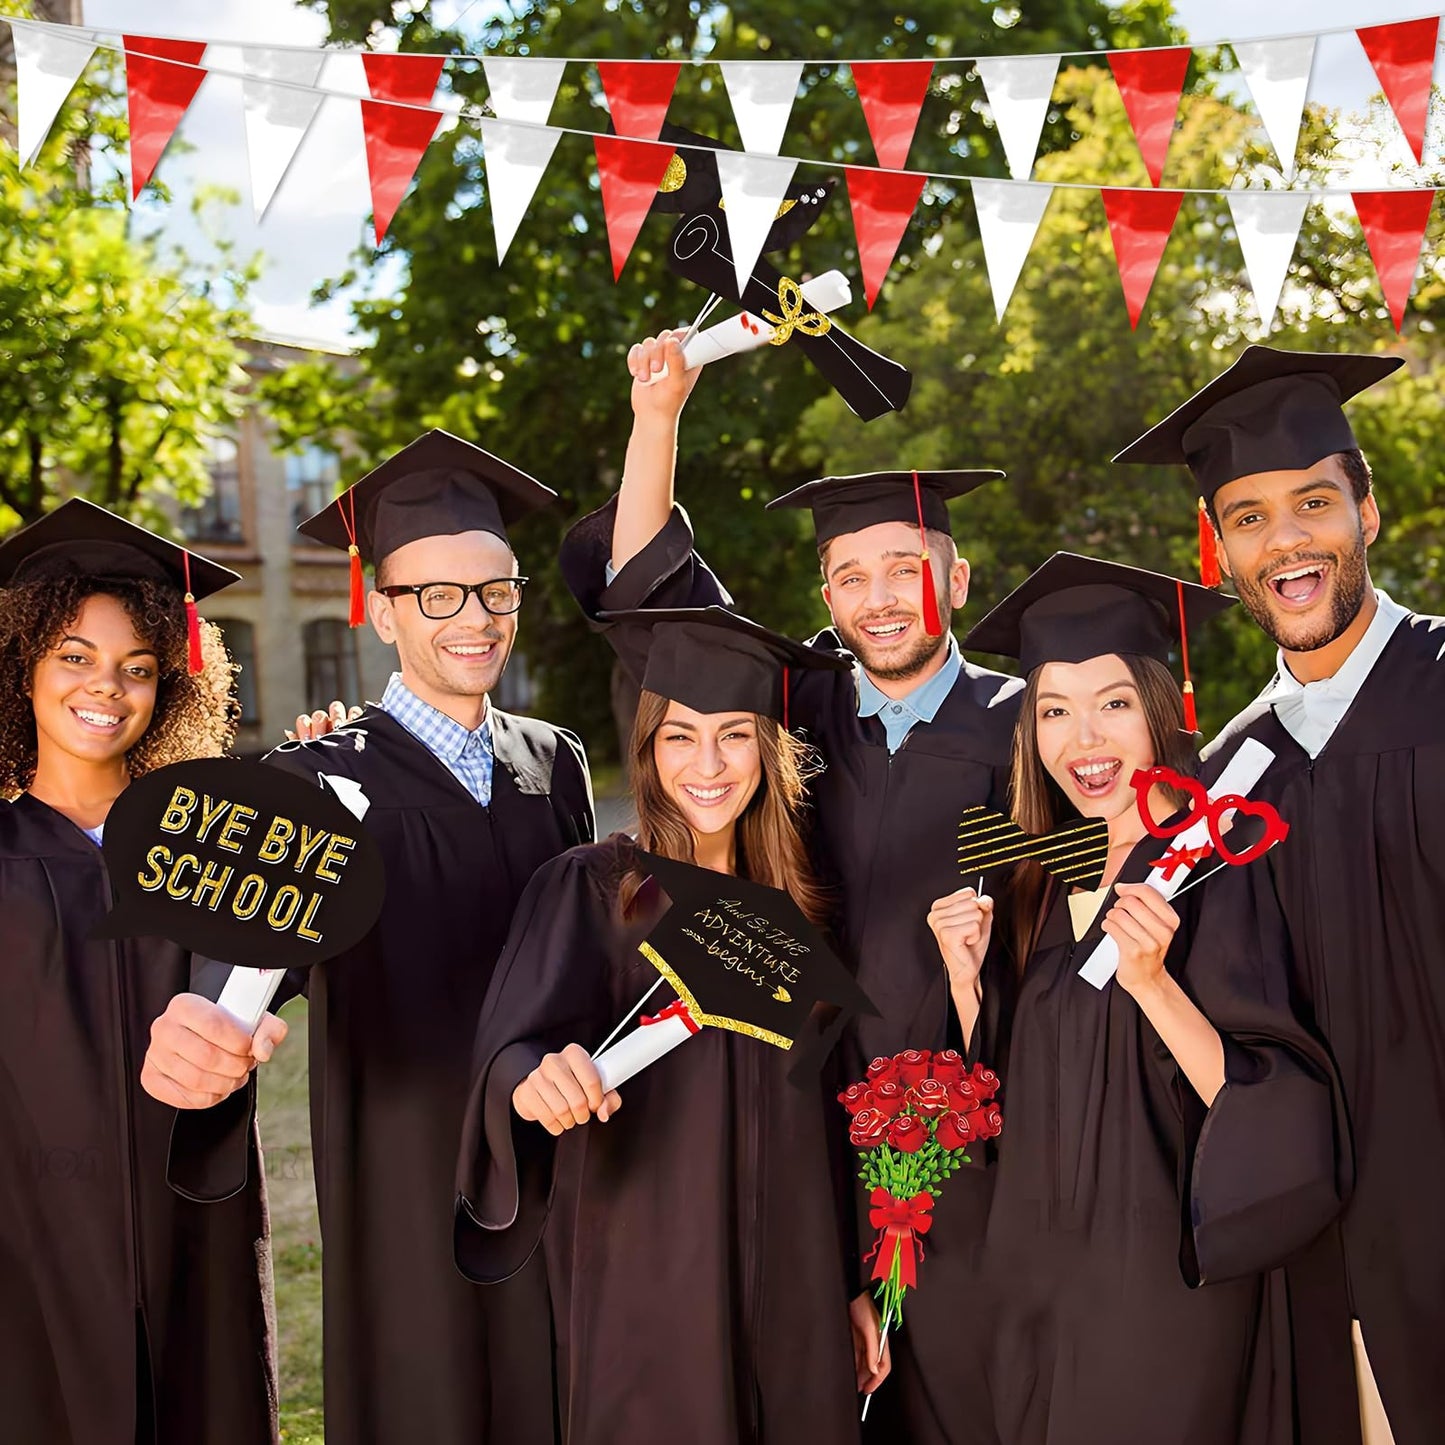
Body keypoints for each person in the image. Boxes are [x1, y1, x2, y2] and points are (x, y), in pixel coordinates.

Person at [559, 331, 1023, 1439]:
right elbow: (654, 599)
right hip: (804, 1126)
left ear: (955, 577)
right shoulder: (795, 708)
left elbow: (1078, 886)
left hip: (968, 1124)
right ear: (822, 588)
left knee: (968, 1393)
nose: (878, 597)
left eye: (904, 568)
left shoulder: (1025, 729)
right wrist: (657, 419)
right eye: (848, 574)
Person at [144, 431, 595, 1445]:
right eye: (435, 594)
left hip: (555, 1157)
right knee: (425, 1392)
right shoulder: (312, 781)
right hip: (407, 1167)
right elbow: (238, 960)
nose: (473, 618)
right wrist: (211, 1021)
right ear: (381, 609)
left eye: (494, 591)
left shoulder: (556, 761)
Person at [1117, 346, 1445, 1445]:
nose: (1284, 540)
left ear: (1366, 510)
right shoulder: (1221, 781)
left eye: (1311, 503)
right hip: (1315, 1247)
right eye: (1247, 516)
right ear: (1217, 550)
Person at [455, 605, 874, 1444]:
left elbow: (826, 1119)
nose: (707, 764)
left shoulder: (800, 913)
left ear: (768, 746)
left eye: (734, 735)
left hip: (793, 1273)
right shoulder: (595, 888)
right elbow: (510, 1051)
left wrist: (850, 1282)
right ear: (647, 750)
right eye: (679, 736)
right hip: (648, 1273)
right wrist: (537, 1079)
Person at [958, 552, 1348, 1445]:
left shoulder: (1218, 860)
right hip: (1035, 1280)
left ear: (1161, 710)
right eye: (1052, 710)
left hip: (1157, 1284)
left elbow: (1276, 1099)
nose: (1081, 738)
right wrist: (964, 982)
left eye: (1113, 703)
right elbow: (1013, 1099)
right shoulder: (1036, 880)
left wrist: (1153, 984)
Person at [0, 499, 283, 1445]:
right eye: (74, 656)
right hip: (30, 1236)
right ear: (24, 668)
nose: (106, 687)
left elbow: (287, 966)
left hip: (192, 1225)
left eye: (138, 667)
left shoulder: (214, 847)